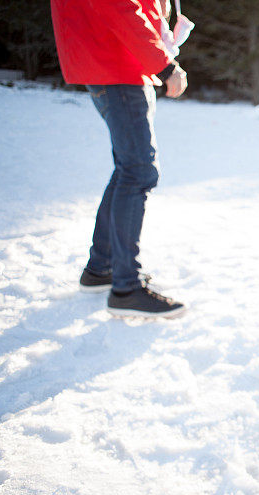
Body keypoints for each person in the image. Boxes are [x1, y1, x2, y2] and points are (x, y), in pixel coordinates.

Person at [51, 0, 187, 318]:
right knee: (139, 172)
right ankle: (126, 288)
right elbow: (120, 8)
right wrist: (165, 65)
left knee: (128, 170)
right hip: (118, 65)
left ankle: (102, 268)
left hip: (116, 63)